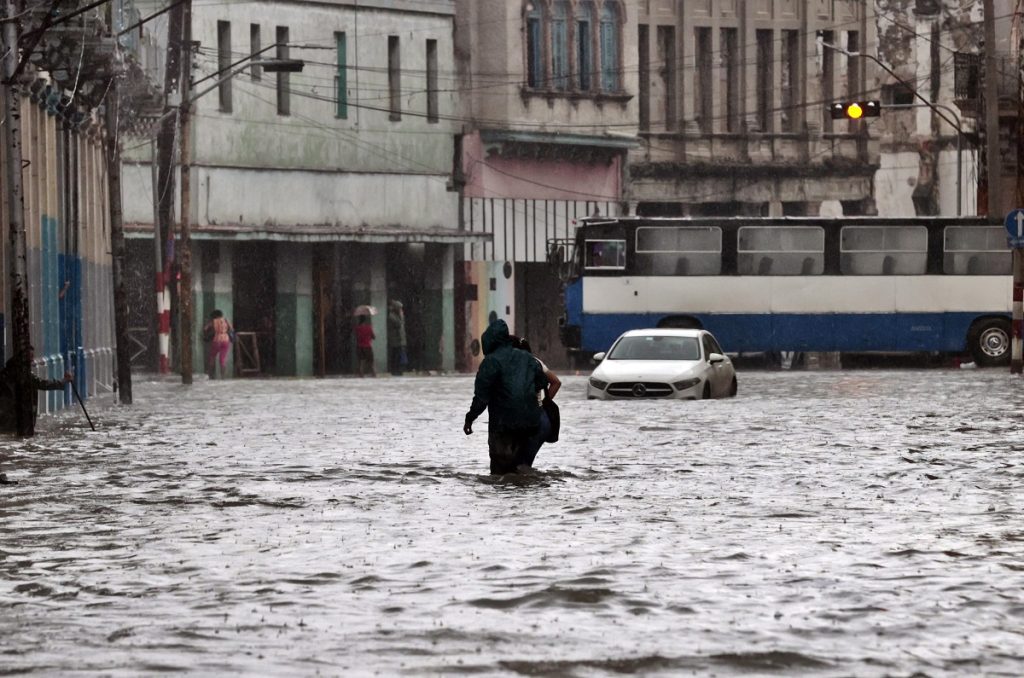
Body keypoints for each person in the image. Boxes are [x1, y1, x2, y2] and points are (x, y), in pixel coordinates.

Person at [463, 319, 547, 475]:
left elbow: (481, 398)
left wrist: (470, 418)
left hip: (503, 426)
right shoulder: (527, 358)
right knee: (520, 470)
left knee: (499, 474)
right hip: (530, 424)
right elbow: (542, 383)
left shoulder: (491, 362)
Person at [0, 346, 73, 436]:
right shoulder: (23, 374)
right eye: (30, 357)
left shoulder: (9, 371)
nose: (32, 360)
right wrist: (63, 381)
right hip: (14, 417)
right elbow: (43, 384)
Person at [513, 336, 561, 469]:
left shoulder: (511, 365)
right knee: (525, 466)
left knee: (515, 467)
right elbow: (556, 382)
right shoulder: (537, 362)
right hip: (542, 420)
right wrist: (544, 403)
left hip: (523, 421)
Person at [202, 310, 234, 379]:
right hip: (226, 340)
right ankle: (223, 377)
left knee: (212, 357)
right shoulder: (226, 320)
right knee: (222, 360)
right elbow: (231, 329)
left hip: (217, 340)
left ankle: (210, 375)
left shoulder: (213, 321)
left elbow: (205, 328)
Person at [387, 300, 408, 376]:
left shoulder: (397, 316)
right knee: (395, 356)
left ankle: (399, 369)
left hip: (400, 340)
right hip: (395, 340)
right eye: (400, 308)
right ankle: (394, 370)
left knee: (400, 356)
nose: (401, 310)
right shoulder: (392, 316)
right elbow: (399, 324)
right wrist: (401, 317)